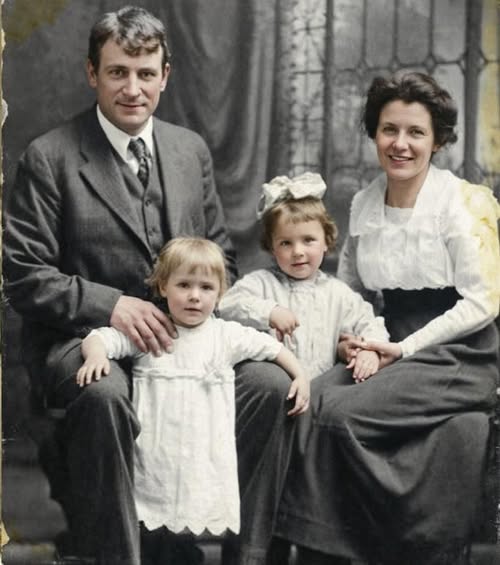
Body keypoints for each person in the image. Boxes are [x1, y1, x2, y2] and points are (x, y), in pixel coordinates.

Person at [3, 6, 295, 565]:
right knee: (105, 392)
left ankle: (247, 556)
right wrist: (112, 307)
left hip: (185, 337)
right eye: (117, 72)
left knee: (266, 382)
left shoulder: (189, 151)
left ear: (166, 75)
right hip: (82, 338)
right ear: (92, 73)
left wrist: (193, 316)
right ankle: (122, 556)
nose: (132, 89)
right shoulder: (51, 156)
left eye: (145, 73)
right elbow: (24, 275)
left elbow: (222, 258)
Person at [272, 71, 500, 565]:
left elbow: (483, 302)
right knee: (308, 402)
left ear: (437, 140)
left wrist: (403, 348)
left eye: (416, 132)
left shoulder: (460, 204)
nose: (400, 144)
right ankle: (316, 554)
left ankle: (359, 550)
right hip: (384, 341)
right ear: (374, 133)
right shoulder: (365, 203)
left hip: (457, 352)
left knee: (339, 414)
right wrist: (350, 339)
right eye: (389, 129)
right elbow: (352, 290)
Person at [76, 237, 310, 565]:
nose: (195, 296)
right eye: (184, 285)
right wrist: (96, 355)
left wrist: (300, 376)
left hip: (203, 447)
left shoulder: (225, 335)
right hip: (157, 447)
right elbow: (100, 337)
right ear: (163, 286)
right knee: (152, 509)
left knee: (194, 506)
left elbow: (272, 348)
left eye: (206, 287)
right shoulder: (152, 331)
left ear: (220, 293)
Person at [218, 171, 389, 385]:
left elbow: (369, 322)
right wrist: (269, 311)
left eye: (308, 240)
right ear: (272, 247)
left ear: (326, 241)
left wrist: (369, 350)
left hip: (323, 387)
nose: (298, 252)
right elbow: (226, 305)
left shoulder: (338, 294)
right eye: (286, 243)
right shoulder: (261, 283)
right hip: (275, 387)